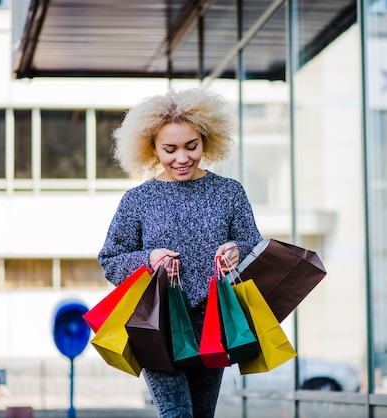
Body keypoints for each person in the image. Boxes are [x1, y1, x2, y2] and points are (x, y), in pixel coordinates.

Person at [98, 88, 263, 418]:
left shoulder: (229, 192)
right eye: (169, 149)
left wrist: (237, 250)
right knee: (177, 414)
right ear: (152, 148)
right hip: (157, 325)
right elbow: (110, 259)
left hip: (213, 324)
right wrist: (149, 259)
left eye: (192, 146)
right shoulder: (137, 200)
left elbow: (254, 247)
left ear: (206, 140)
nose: (182, 158)